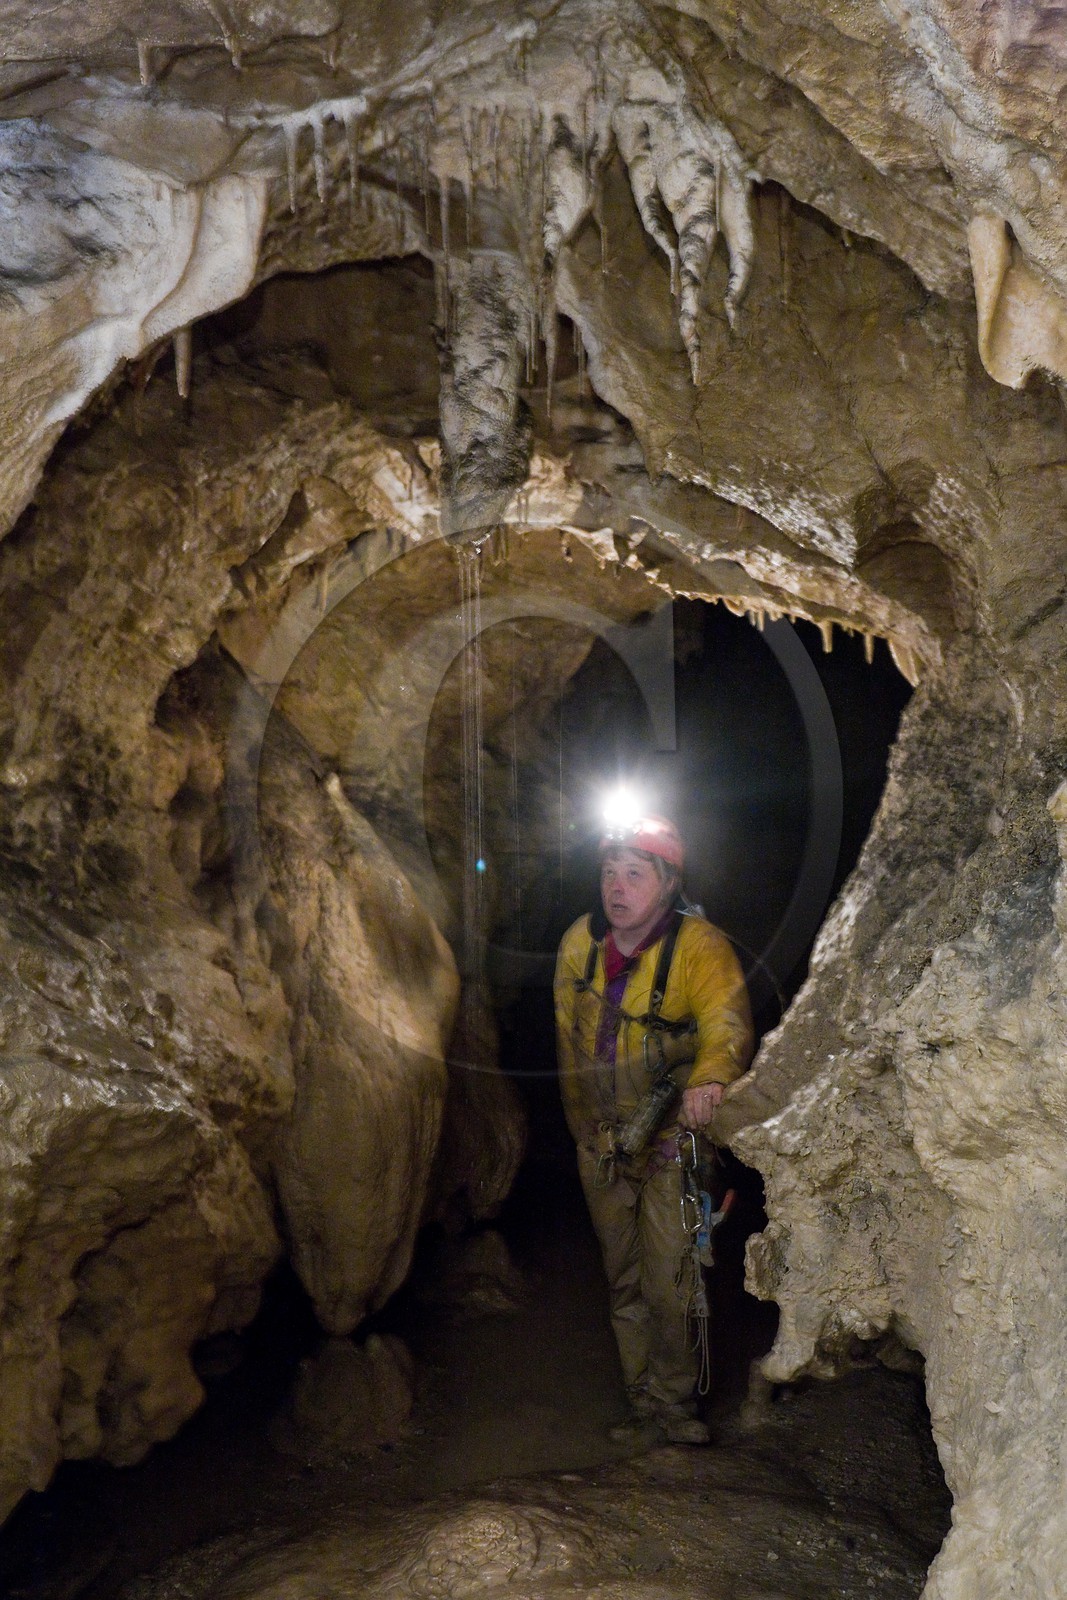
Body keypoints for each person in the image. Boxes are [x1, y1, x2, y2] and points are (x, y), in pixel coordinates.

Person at [554, 813, 753, 1445]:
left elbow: (727, 1024)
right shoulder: (578, 944)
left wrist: (710, 1078)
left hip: (673, 1143)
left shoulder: (700, 948)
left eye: (634, 874)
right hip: (604, 1144)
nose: (616, 887)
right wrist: (583, 1131)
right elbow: (567, 1042)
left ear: (667, 883)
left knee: (671, 1282)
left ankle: (675, 1405)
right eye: (609, 872)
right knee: (625, 1281)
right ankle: (642, 1404)